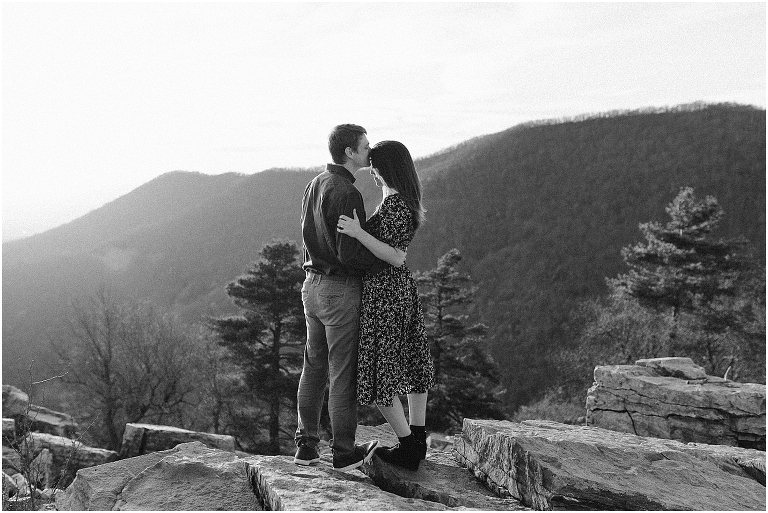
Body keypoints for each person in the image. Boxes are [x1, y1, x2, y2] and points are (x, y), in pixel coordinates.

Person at [294, 124, 404, 472]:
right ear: (350, 153)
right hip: (340, 290)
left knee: (313, 368)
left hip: (311, 285)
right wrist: (386, 258)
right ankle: (343, 453)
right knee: (342, 373)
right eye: (365, 146)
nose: (370, 152)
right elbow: (350, 254)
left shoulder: (315, 184)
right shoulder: (348, 193)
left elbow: (309, 235)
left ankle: (306, 447)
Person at [336, 140, 435, 471]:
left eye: (375, 166)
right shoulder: (405, 202)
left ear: (383, 170)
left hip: (385, 294)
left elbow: (395, 255)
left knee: (382, 372)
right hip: (401, 290)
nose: (372, 172)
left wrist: (357, 232)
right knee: (412, 361)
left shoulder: (394, 206)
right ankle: (417, 438)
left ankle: (408, 447)